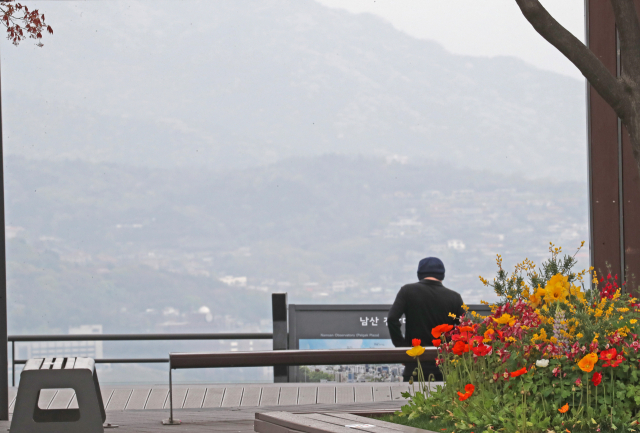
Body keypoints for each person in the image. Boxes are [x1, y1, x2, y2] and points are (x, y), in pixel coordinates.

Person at [387, 257, 464, 382]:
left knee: (414, 400)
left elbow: (392, 319)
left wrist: (402, 348)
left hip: (415, 365)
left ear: (419, 274)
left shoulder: (407, 291)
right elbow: (464, 327)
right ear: (442, 275)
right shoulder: (454, 297)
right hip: (445, 366)